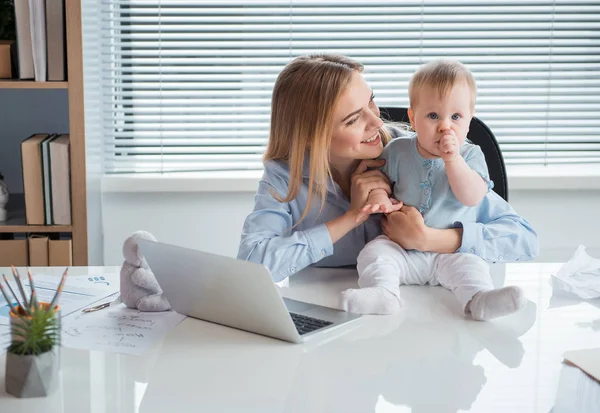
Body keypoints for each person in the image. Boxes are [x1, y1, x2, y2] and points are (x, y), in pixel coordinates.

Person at [236, 53, 538, 290]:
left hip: (430, 309)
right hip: (335, 311)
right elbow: (251, 264)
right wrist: (351, 217)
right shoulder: (284, 177)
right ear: (312, 136)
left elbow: (522, 239)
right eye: (354, 119)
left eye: (371, 102)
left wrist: (429, 239)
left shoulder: (417, 152)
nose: (377, 123)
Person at [340, 59, 531, 320]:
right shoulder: (397, 151)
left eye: (456, 117)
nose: (445, 126)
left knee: (473, 266)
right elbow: (379, 181)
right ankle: (384, 293)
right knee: (374, 254)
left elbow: (472, 196)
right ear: (413, 118)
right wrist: (380, 199)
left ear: (469, 119)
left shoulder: (471, 155)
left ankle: (479, 301)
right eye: (433, 116)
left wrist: (452, 160)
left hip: (451, 252)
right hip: (401, 249)